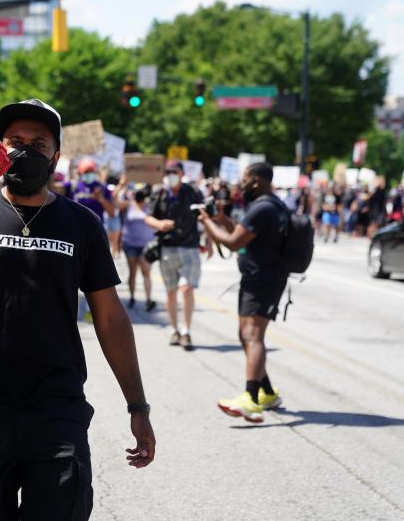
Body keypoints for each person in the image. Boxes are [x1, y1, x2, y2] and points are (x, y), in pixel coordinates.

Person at [0, 98, 156, 519]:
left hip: (58, 408)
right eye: (14, 141)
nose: (25, 151)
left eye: (38, 144)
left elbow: (111, 320)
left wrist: (138, 407)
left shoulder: (82, 223)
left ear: (56, 157)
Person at [198, 163, 287, 423]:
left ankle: (250, 398)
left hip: (262, 279)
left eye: (245, 179)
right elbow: (244, 232)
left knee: (252, 335)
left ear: (257, 180)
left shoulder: (261, 207)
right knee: (246, 335)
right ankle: (267, 392)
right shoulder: (273, 205)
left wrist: (206, 221)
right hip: (264, 278)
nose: (242, 184)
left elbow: (233, 242)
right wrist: (222, 220)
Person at [145, 160, 211, 351]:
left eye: (174, 171)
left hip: (189, 247)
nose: (170, 174)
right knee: (171, 292)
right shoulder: (159, 193)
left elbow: (204, 216)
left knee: (186, 289)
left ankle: (186, 331)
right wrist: (158, 224)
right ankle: (175, 330)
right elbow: (148, 216)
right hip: (167, 249)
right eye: (167, 171)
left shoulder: (193, 192)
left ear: (182, 173)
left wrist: (208, 242)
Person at [118, 189, 157, 311]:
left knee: (146, 272)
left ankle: (148, 300)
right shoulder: (129, 205)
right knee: (132, 272)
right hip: (130, 244)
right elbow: (115, 203)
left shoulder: (150, 207)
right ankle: (132, 297)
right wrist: (121, 186)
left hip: (145, 245)